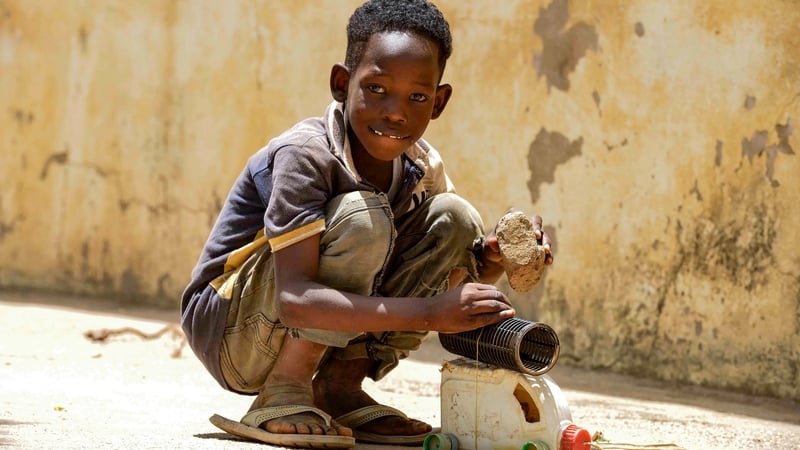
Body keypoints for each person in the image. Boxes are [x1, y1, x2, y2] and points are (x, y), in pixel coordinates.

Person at [180, 0, 553, 447]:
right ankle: (285, 388)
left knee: (455, 218)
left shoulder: (421, 167)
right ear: (342, 83)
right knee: (364, 218)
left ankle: (339, 386)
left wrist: (492, 261)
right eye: (376, 89)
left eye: (417, 97)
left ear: (439, 102)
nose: (396, 112)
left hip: (297, 320)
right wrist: (431, 314)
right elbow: (295, 299)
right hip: (232, 332)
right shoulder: (305, 155)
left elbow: (443, 279)